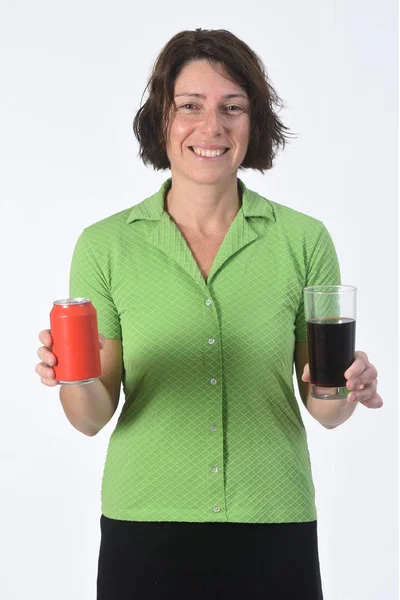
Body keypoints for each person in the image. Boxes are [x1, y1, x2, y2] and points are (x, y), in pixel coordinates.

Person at [35, 28, 383, 600]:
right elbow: (91, 417)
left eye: (233, 107)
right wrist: (69, 376)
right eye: (189, 107)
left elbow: (325, 409)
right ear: (162, 121)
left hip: (274, 517)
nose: (212, 127)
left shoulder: (303, 240)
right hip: (145, 523)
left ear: (255, 122)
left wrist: (346, 385)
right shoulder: (105, 247)